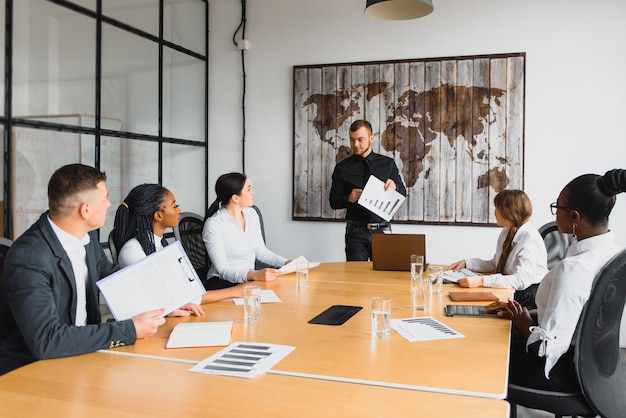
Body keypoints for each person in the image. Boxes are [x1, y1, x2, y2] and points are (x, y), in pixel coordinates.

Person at [0, 164, 166, 376]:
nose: (108, 204)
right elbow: (47, 340)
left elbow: (114, 278)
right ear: (85, 210)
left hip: (80, 357)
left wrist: (164, 301)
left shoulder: (85, 240)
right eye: (105, 198)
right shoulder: (29, 257)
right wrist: (130, 330)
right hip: (31, 372)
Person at [490, 169, 624, 395]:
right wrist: (525, 314)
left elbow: (543, 349)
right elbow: (585, 317)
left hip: (562, 374)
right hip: (596, 370)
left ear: (574, 217)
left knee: (486, 352)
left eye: (558, 207)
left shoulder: (573, 269)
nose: (555, 214)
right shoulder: (615, 254)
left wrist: (523, 323)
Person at [112, 184, 243, 311]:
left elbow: (185, 292)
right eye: (175, 206)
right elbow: (173, 298)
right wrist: (235, 291)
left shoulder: (161, 244)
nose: (179, 210)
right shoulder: (132, 251)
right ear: (158, 215)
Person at [447, 189, 548, 308]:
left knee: (477, 306)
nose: (494, 212)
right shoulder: (506, 232)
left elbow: (521, 280)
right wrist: (466, 263)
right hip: (510, 288)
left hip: (527, 297)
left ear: (507, 211)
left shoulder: (529, 238)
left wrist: (482, 281)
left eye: (497, 208)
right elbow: (496, 264)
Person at [329, 119, 407, 261]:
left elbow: (402, 193)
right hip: (355, 232)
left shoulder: (388, 164)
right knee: (357, 280)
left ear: (372, 138)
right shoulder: (342, 168)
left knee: (384, 279)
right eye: (352, 140)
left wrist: (394, 187)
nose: (355, 145)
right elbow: (333, 202)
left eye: (360, 139)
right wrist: (349, 198)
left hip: (383, 230)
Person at [203, 172, 291, 289]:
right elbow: (223, 270)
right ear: (235, 198)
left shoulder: (251, 214)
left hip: (248, 281)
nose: (253, 192)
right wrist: (254, 275)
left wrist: (286, 263)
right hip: (222, 283)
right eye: (249, 189)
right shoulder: (214, 224)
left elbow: (261, 251)